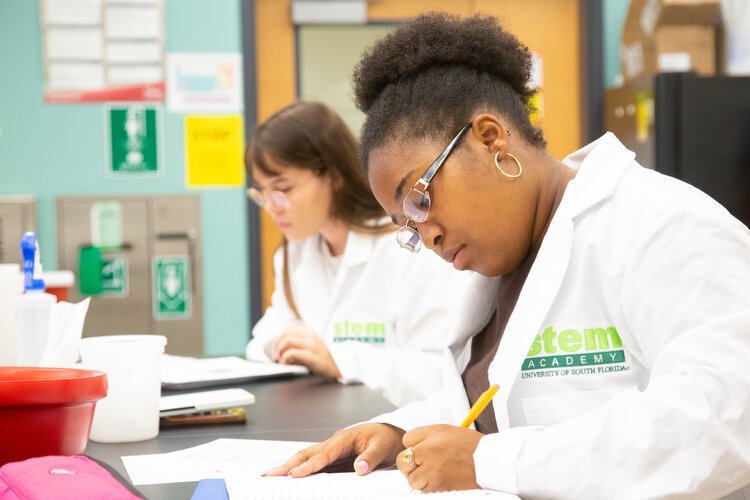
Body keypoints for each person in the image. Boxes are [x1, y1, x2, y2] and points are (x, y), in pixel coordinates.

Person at [264, 13, 750, 499]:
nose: (426, 238)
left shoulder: (661, 224)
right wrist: (399, 434)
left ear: (491, 138)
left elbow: (724, 421)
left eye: (420, 200)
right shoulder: (502, 263)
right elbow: (497, 405)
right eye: (408, 227)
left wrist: (487, 462)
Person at [244, 101, 479, 408]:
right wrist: (285, 347)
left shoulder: (407, 245)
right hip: (321, 418)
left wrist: (340, 360)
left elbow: (440, 372)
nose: (272, 206)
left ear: (333, 176)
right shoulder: (296, 252)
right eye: (263, 193)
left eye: (283, 189)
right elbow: (264, 338)